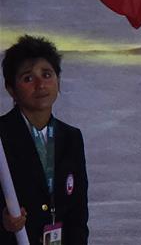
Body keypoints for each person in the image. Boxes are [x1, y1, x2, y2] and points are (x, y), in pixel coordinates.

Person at [1, 35, 89, 245]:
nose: (40, 85)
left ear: (58, 81)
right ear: (11, 89)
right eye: (28, 78)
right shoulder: (2, 137)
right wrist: (3, 222)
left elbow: (78, 212)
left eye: (47, 74)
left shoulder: (71, 138)